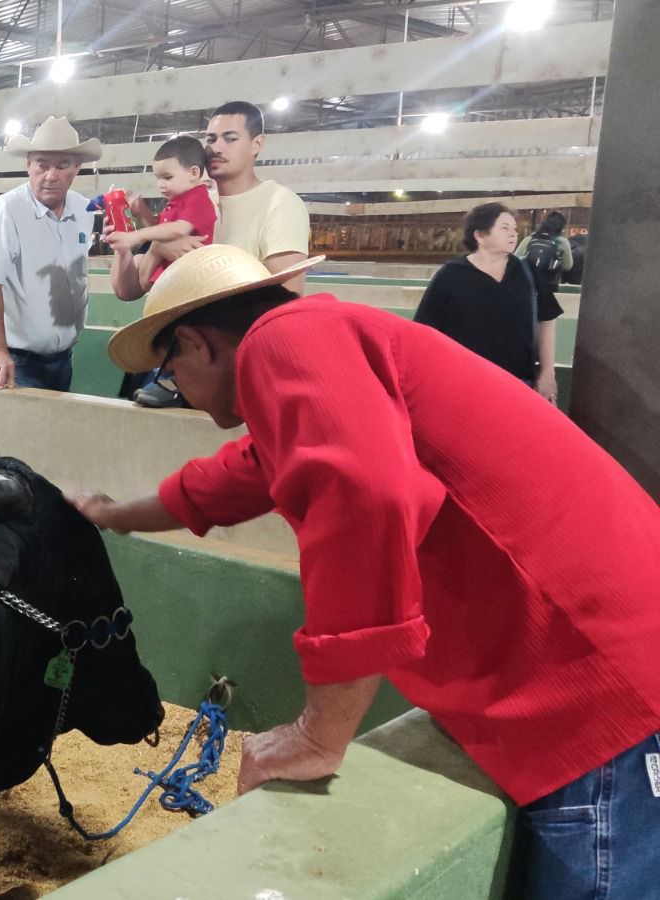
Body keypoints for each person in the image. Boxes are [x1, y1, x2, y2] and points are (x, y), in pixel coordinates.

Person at [70, 242, 660, 900]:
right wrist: (112, 513)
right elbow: (234, 479)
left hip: (597, 686)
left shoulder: (285, 339)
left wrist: (316, 734)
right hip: (591, 661)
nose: (172, 386)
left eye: (168, 366)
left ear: (197, 343)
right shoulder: (328, 349)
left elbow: (364, 501)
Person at [112, 101, 309, 303]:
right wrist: (125, 240)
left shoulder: (280, 204)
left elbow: (285, 298)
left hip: (237, 332)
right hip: (183, 329)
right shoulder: (194, 203)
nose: (216, 148)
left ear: (256, 144)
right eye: (211, 139)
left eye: (230, 139)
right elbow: (127, 291)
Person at [0, 116, 97, 391]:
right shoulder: (6, 211)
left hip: (63, 358)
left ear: (77, 167)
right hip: (15, 360)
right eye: (42, 165)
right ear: (28, 164)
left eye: (62, 165)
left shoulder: (83, 210)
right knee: (14, 433)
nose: (50, 175)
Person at [415, 203, 561, 403]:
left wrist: (547, 373)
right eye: (504, 228)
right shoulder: (451, 275)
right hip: (463, 387)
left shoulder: (526, 273)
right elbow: (425, 332)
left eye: (514, 229)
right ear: (480, 236)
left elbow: (547, 319)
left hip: (517, 383)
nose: (513, 234)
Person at [117, 136, 219, 294]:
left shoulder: (198, 200)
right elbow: (161, 230)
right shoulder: (177, 201)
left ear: (193, 173)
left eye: (168, 177)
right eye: (158, 178)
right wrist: (143, 213)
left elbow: (179, 229)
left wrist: (138, 236)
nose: (160, 185)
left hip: (186, 278)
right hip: (171, 275)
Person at [515, 210, 576, 307]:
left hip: (528, 284)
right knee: (547, 316)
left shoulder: (530, 239)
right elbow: (568, 266)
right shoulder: (562, 242)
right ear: (561, 227)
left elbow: (516, 259)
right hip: (549, 286)